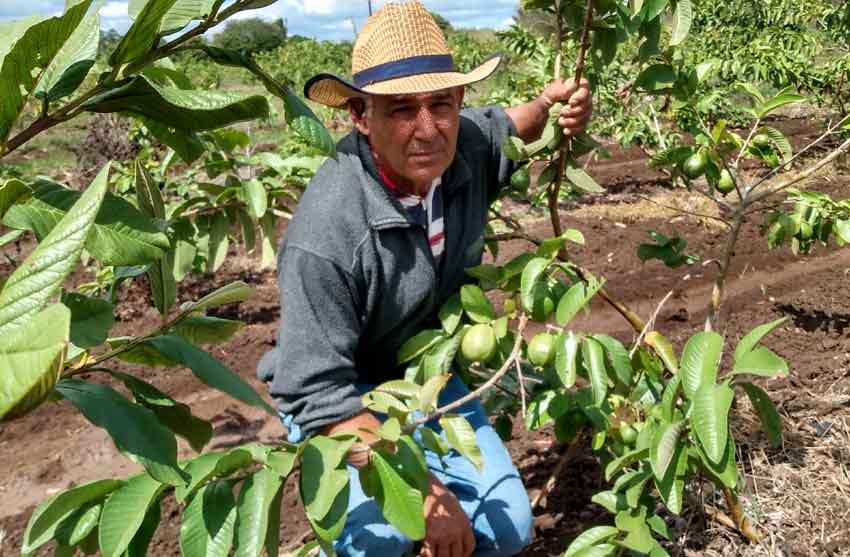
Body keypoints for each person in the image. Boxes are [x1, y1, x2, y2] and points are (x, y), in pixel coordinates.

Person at [257, 2, 593, 556]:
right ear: (360, 116)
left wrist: (553, 106)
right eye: (400, 109)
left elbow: (513, 121)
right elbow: (314, 390)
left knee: (506, 529)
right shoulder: (329, 233)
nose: (427, 128)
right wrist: (426, 493)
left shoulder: (469, 144)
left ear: (459, 102)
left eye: (441, 103)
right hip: (343, 396)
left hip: (427, 376)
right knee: (383, 539)